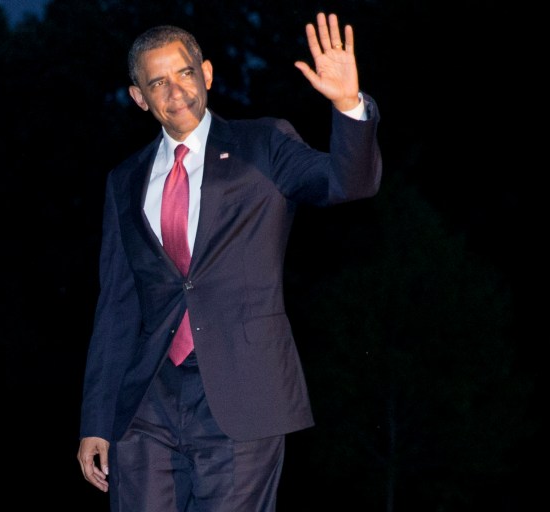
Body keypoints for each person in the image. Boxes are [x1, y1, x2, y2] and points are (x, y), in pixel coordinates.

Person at [77, 12, 382, 511]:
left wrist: (349, 107)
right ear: (139, 97)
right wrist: (95, 420)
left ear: (207, 74)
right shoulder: (124, 180)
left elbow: (348, 184)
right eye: (158, 82)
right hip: (146, 401)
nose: (176, 90)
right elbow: (116, 306)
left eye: (185, 73)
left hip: (243, 393)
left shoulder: (263, 144)